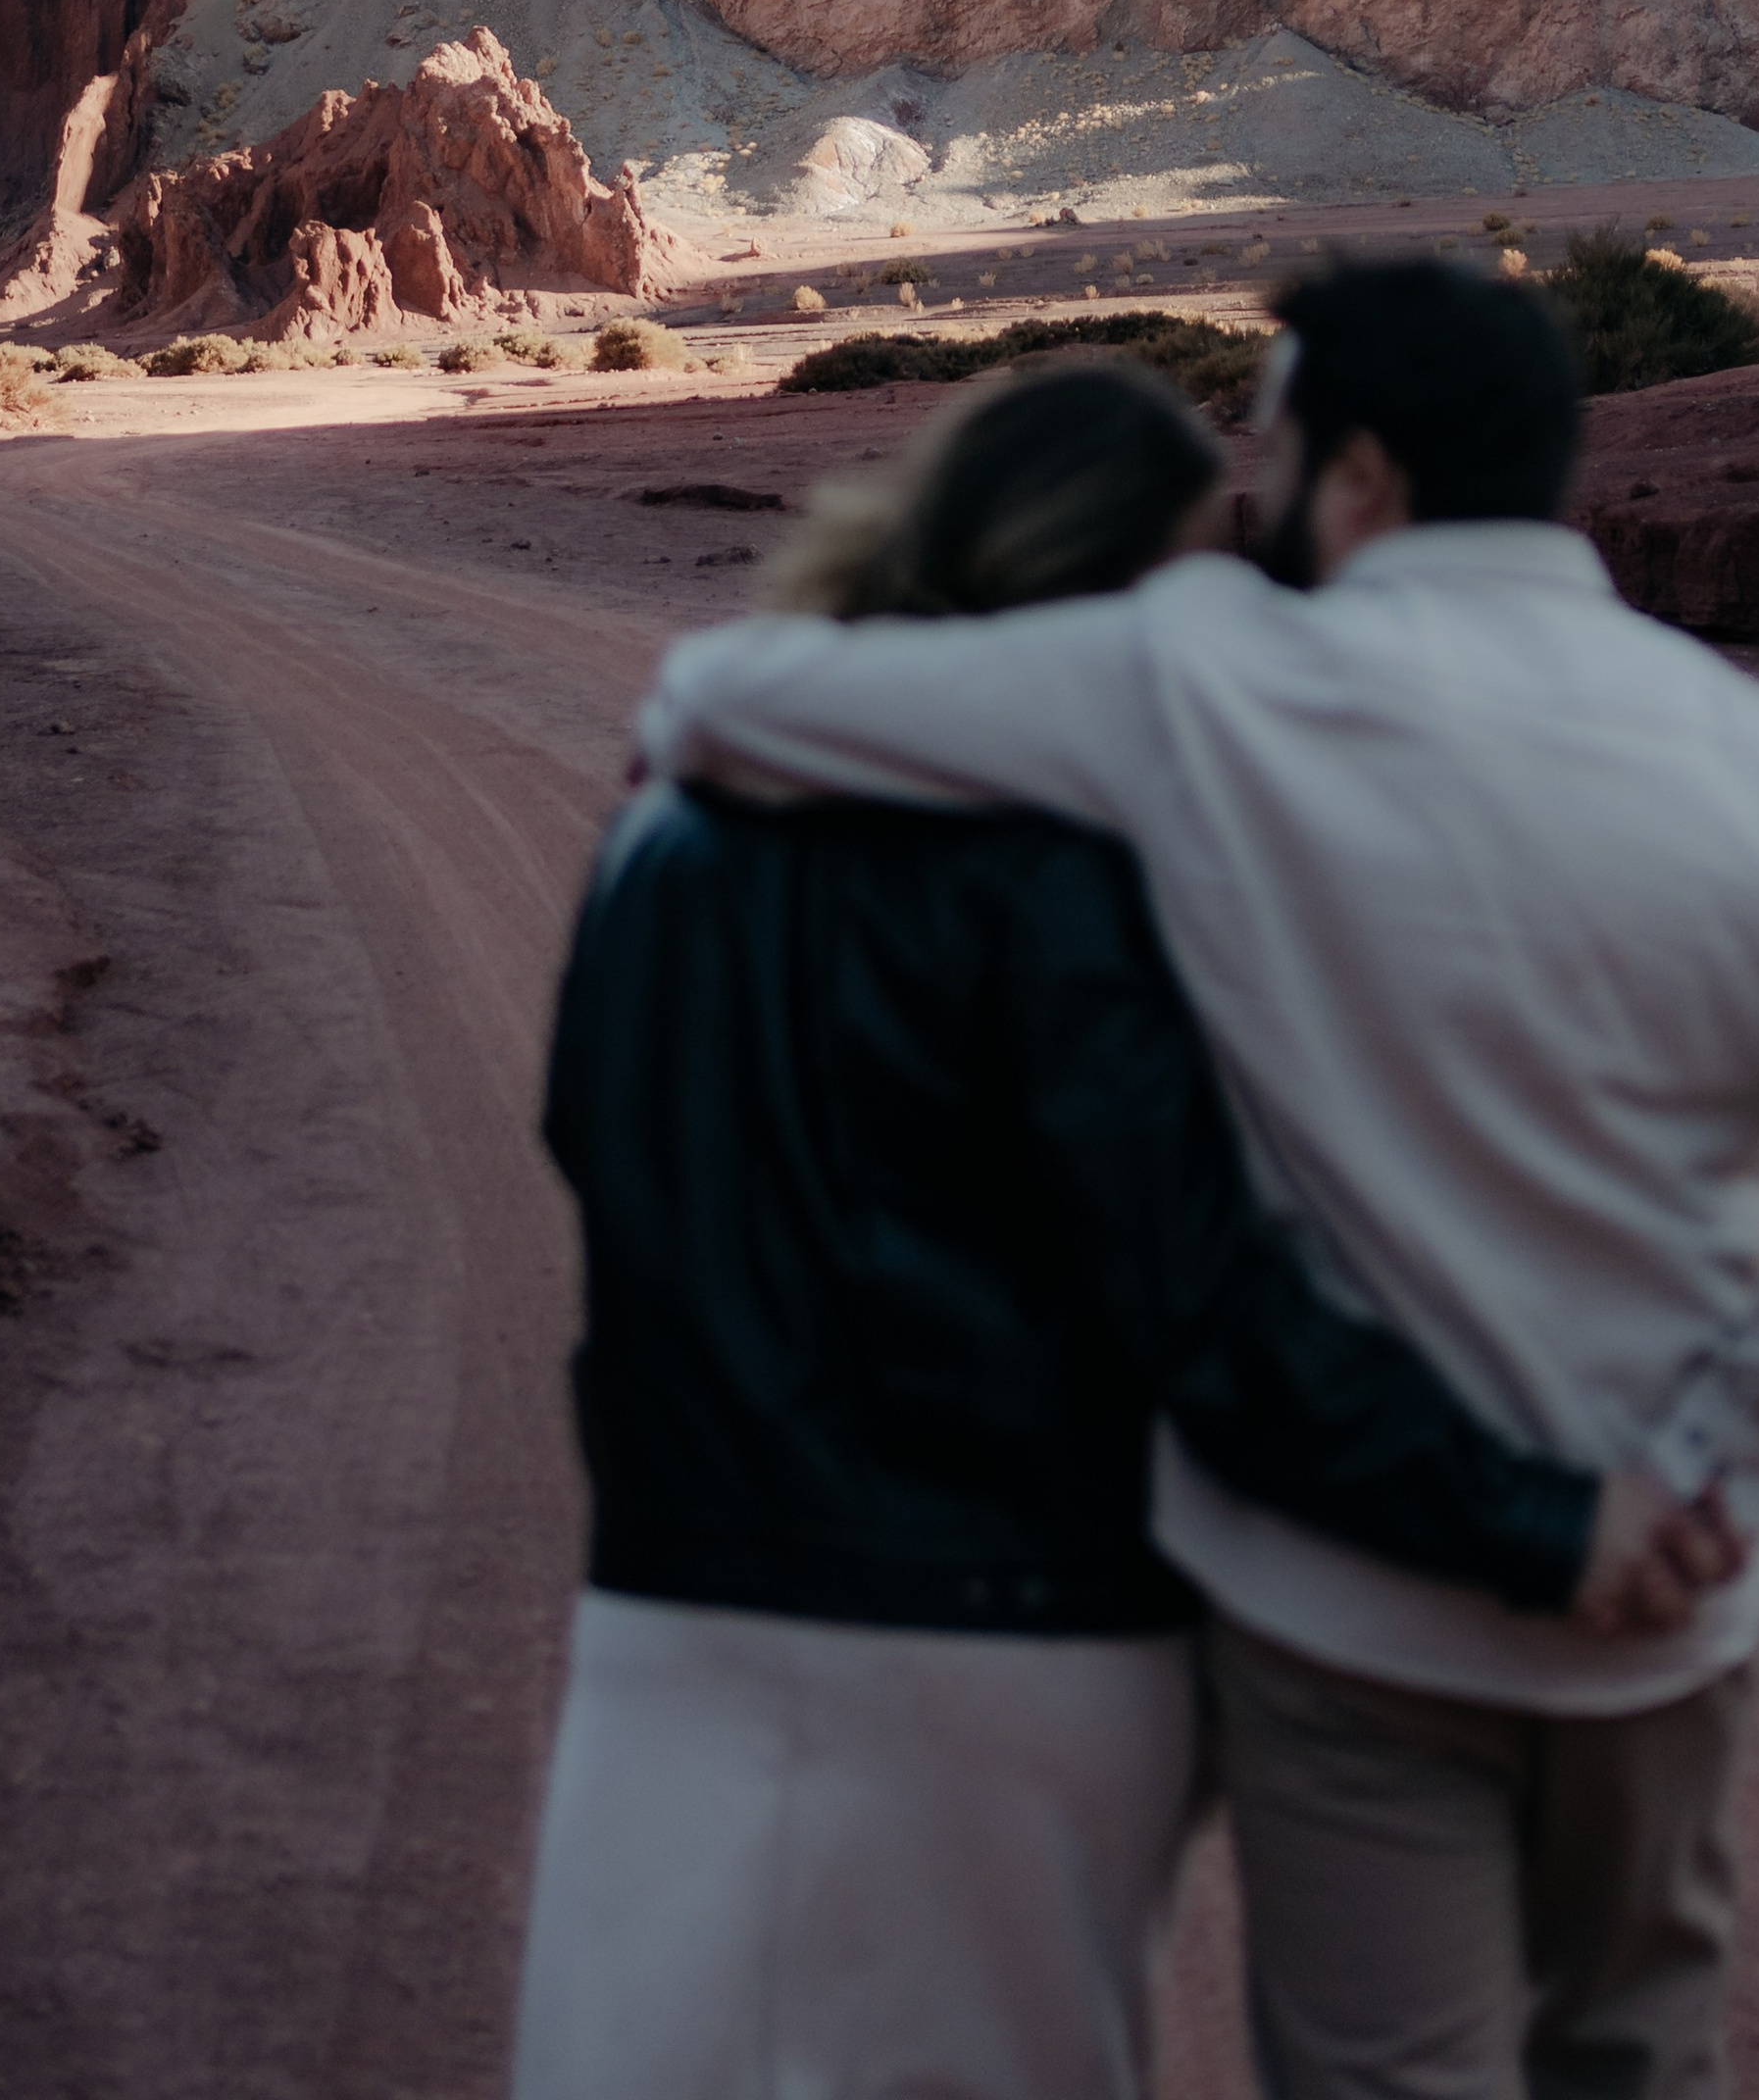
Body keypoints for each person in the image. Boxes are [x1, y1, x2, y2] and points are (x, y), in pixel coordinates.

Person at [637, 259, 1759, 2100]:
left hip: (1344, 1613)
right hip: (1677, 1598)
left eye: (1270, 449)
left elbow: (731, 700)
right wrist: (1735, 1451)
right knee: (1642, 2055)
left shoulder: (1205, 678)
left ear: (1359, 477)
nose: (1247, 494)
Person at [513, 359, 1693, 2100]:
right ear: (1118, 587)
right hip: (1011, 1646)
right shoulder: (1072, 875)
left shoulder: (668, 826)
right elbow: (1212, 1315)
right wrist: (1539, 1524)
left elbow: (589, 1135)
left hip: (671, 1619)